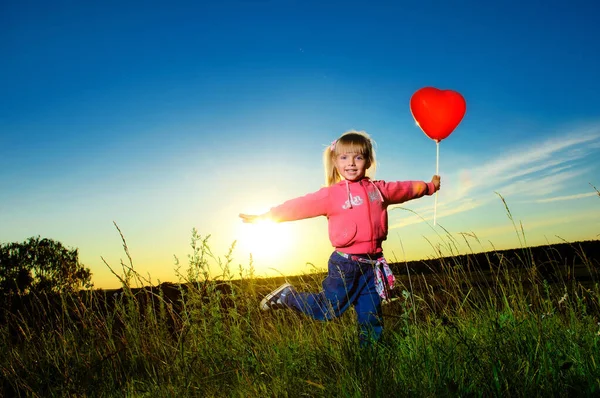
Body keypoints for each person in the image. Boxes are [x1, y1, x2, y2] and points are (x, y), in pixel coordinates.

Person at [239, 130, 440, 345]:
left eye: (358, 157)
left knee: (371, 317)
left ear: (368, 160)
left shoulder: (379, 189)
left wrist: (429, 187)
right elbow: (298, 207)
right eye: (344, 158)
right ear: (335, 161)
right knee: (328, 310)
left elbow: (405, 189)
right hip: (346, 266)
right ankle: (287, 296)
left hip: (372, 266)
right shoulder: (331, 195)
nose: (351, 163)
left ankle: (371, 362)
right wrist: (266, 217)